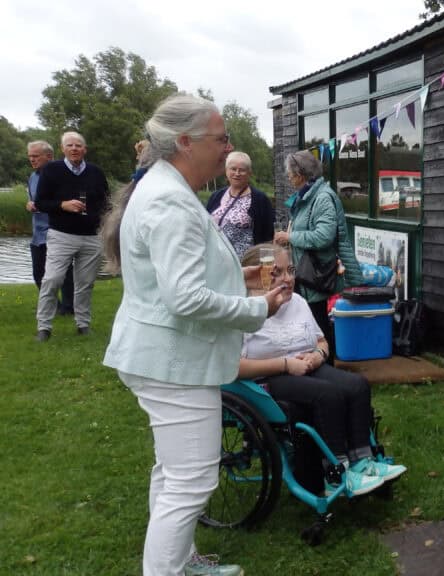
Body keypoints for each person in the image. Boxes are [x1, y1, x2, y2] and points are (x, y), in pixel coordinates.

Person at [102, 93, 288, 576]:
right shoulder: (170, 200)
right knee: (190, 481)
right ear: (185, 142)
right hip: (173, 363)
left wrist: (239, 277)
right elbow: (184, 298)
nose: (228, 148)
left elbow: (177, 278)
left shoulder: (167, 188)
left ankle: (182, 562)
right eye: (220, 139)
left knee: (174, 473)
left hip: (166, 357)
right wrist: (258, 307)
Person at [238, 243, 406, 495]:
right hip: (266, 378)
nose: (288, 279)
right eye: (277, 273)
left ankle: (363, 462)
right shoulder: (243, 310)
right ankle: (336, 473)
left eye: (290, 270)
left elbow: (321, 341)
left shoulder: (297, 302)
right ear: (256, 275)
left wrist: (318, 356)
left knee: (358, 385)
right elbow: (234, 367)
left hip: (306, 367)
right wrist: (286, 364)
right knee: (328, 395)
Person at [274, 150, 363, 362]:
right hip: (306, 272)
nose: (289, 178)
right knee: (310, 323)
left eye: (290, 174)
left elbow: (324, 236)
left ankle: (326, 368)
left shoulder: (322, 197)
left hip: (316, 274)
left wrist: (291, 237)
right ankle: (315, 365)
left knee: (318, 324)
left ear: (301, 175)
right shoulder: (308, 195)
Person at [33, 132, 110, 341]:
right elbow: (40, 203)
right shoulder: (51, 170)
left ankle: (83, 324)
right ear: (62, 149)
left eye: (78, 145)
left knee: (85, 283)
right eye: (70, 145)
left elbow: (107, 202)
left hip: (91, 236)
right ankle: (44, 327)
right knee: (52, 279)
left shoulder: (96, 172)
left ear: (85, 149)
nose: (74, 148)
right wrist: (62, 205)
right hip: (62, 235)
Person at [25, 140, 75, 315]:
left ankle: (69, 307)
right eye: (30, 156)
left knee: (64, 272)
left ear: (49, 156)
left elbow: (67, 201)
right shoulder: (32, 177)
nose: (32, 159)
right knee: (38, 273)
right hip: (38, 234)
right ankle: (55, 305)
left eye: (36, 156)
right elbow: (32, 199)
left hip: (58, 230)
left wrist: (45, 205)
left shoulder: (61, 175)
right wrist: (30, 205)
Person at [205, 151, 275, 257]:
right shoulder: (216, 196)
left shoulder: (260, 199)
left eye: (242, 170)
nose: (237, 173)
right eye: (233, 169)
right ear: (226, 171)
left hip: (245, 261)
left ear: (249, 173)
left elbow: (268, 235)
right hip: (216, 258)